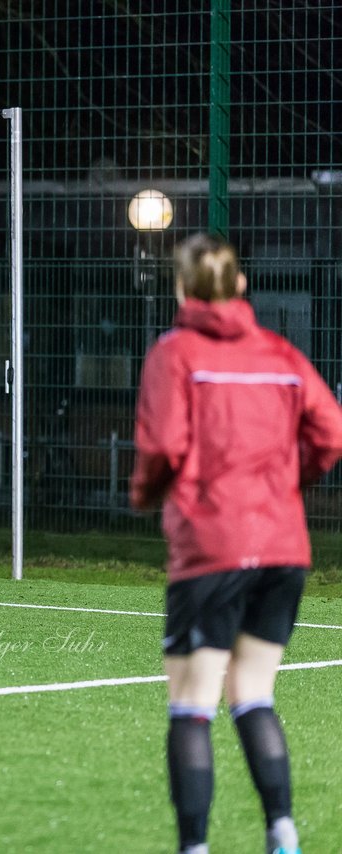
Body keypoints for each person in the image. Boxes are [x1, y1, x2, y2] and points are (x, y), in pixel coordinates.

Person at [130, 233, 342, 854]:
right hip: (282, 547)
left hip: (212, 546)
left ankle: (194, 847)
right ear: (241, 285)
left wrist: (146, 495)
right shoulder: (280, 353)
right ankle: (282, 832)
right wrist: (283, 483)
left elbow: (164, 447)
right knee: (252, 694)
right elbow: (330, 432)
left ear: (180, 288)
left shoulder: (175, 353)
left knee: (192, 704)